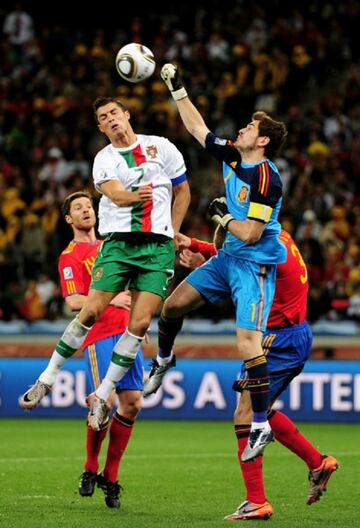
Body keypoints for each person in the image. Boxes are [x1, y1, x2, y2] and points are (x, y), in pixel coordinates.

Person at [19, 97, 191, 434]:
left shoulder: (162, 147)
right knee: (90, 311)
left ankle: (101, 394)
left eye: (114, 112)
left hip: (157, 247)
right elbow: (114, 194)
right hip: (120, 244)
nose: (110, 119)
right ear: (100, 127)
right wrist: (135, 195)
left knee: (139, 325)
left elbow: (182, 192)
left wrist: (171, 231)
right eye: (103, 117)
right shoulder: (105, 159)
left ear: (127, 115)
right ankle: (47, 378)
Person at [144, 63, 288, 461]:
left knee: (247, 343)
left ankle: (260, 426)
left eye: (248, 128)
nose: (241, 129)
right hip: (227, 259)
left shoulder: (266, 180)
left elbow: (251, 233)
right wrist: (178, 89)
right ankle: (163, 360)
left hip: (253, 267)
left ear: (261, 141)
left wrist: (221, 216)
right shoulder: (233, 155)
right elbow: (197, 129)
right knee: (171, 307)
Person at [175, 224, 339, 520]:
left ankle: (257, 501)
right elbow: (240, 253)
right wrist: (198, 245)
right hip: (288, 334)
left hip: (278, 340)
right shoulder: (276, 233)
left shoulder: (262, 252)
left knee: (246, 415)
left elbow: (237, 268)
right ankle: (317, 462)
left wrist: (203, 260)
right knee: (260, 409)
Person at [62, 191, 144, 509]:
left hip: (128, 333)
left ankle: (110, 476)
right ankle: (89, 466)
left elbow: (132, 291)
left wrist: (140, 322)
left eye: (89, 206)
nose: (86, 210)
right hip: (100, 335)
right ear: (69, 219)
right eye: (78, 208)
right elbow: (73, 301)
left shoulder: (113, 246)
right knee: (104, 402)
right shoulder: (70, 255)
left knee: (133, 404)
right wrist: (111, 299)